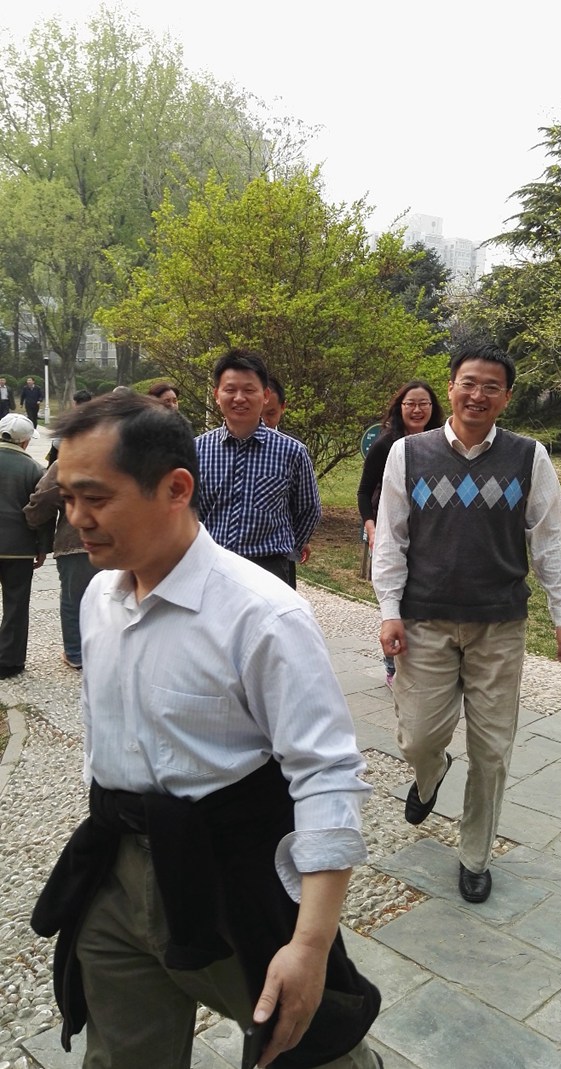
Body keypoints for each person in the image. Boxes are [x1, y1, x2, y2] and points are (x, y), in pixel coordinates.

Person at [31, 392, 381, 1069]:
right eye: (67, 497)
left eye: (95, 497)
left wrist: (310, 945)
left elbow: (327, 773)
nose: (76, 519)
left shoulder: (262, 616)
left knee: (311, 1048)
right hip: (114, 871)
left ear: (176, 488)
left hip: (231, 876)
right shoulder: (100, 596)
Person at [372, 340, 561, 905]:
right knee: (418, 736)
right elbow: (390, 538)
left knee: (491, 751)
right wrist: (389, 611)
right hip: (424, 621)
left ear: (506, 397)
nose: (478, 394)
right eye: (469, 383)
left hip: (498, 624)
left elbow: (552, 539)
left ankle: (474, 855)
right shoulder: (409, 453)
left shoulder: (528, 457)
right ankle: (430, 773)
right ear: (451, 387)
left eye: (492, 386)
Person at [195, 350, 321, 587]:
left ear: (265, 395)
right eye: (230, 390)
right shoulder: (197, 450)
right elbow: (189, 512)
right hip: (211, 566)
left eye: (249, 390)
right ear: (217, 395)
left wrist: (288, 550)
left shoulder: (292, 452)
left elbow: (308, 509)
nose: (239, 398)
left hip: (269, 569)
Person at [357, 380, 444, 687]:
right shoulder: (386, 444)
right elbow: (364, 491)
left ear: (433, 408)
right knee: (395, 597)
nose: (417, 410)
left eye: (423, 404)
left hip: (428, 534)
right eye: (411, 404)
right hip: (390, 531)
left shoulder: (441, 443)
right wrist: (371, 525)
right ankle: (392, 666)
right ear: (400, 407)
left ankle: (425, 660)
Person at [24, 388, 98, 669]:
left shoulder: (64, 465)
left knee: (73, 601)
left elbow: (43, 500)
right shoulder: (122, 461)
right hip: (119, 543)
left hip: (75, 541)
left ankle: (75, 654)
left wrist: (31, 520)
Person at [0, 413, 54, 678]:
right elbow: (43, 512)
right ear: (25, 442)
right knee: (16, 604)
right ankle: (9, 662)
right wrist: (43, 547)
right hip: (18, 548)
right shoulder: (33, 469)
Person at [263, 374, 312, 590]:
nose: (265, 421)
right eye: (260, 413)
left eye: (271, 414)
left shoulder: (294, 448)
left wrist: (297, 541)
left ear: (283, 407)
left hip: (279, 552)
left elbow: (304, 503)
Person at [46, 388, 93, 466]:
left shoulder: (69, 418)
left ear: (75, 403)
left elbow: (58, 442)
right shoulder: (96, 418)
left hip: (63, 452)